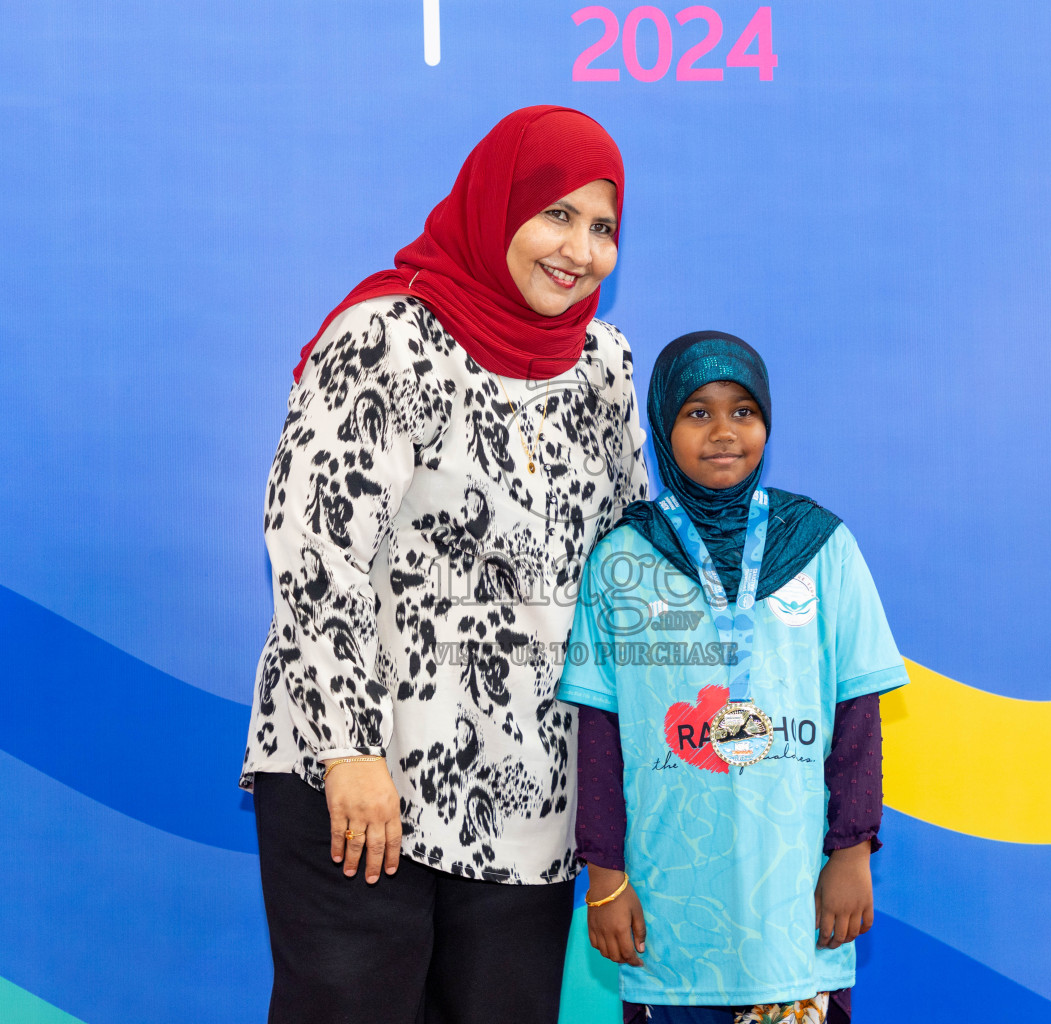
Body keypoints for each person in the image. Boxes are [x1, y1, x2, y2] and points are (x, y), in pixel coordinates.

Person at [240, 105, 649, 1024]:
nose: (578, 250)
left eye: (603, 227)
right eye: (555, 214)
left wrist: (622, 790)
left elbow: (623, 570)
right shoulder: (387, 338)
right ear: (496, 205)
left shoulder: (605, 365)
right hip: (364, 778)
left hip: (529, 792)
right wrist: (349, 749)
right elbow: (315, 551)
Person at [557, 331, 909, 1024]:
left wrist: (852, 851)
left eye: (743, 411)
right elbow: (600, 732)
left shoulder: (823, 546)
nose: (724, 432)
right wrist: (604, 875)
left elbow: (856, 716)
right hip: (664, 905)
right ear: (662, 424)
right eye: (697, 412)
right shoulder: (623, 557)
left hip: (796, 905)